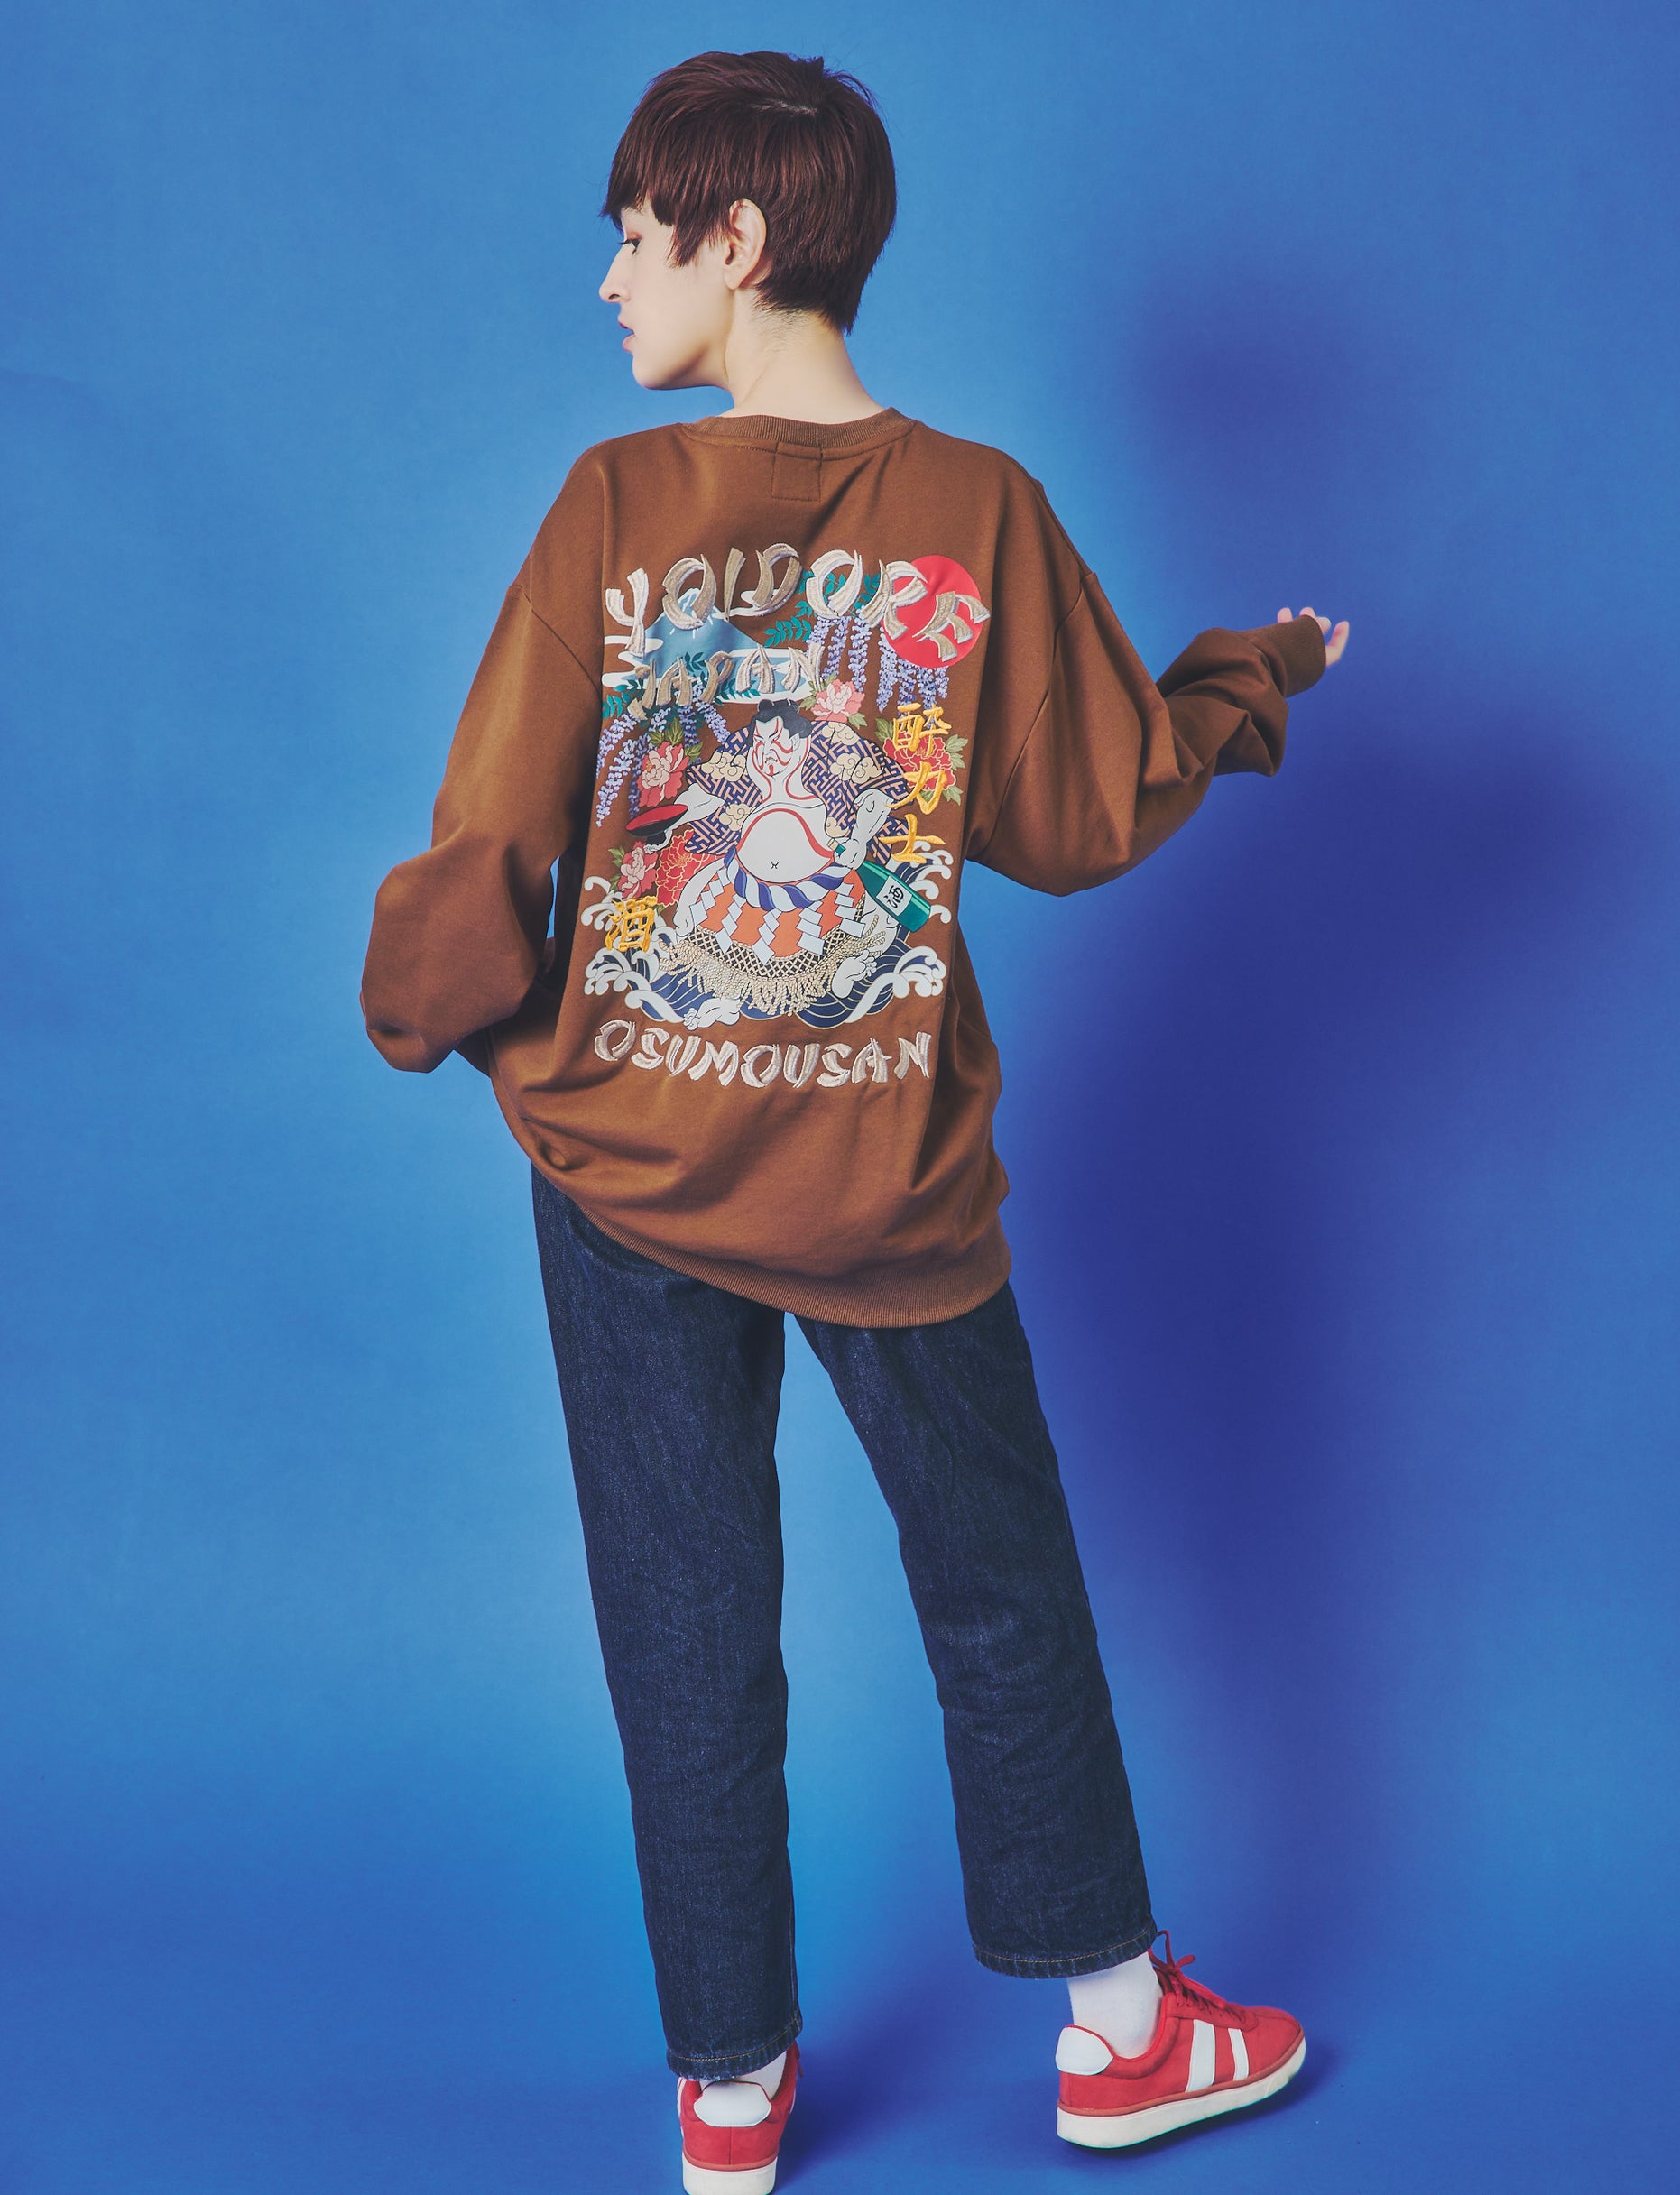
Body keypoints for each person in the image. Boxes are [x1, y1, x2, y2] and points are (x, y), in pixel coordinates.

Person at [360, 47, 1349, 2195]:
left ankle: (727, 2088)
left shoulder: (608, 509)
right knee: (997, 1581)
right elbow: (1089, 809)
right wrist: (1246, 677)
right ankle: (1118, 2028)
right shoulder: (975, 508)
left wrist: (433, 1012)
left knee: (681, 1609)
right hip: (876, 1165)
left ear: (737, 239)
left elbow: (493, 828)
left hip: (622, 1160)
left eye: (637, 234)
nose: (611, 277)